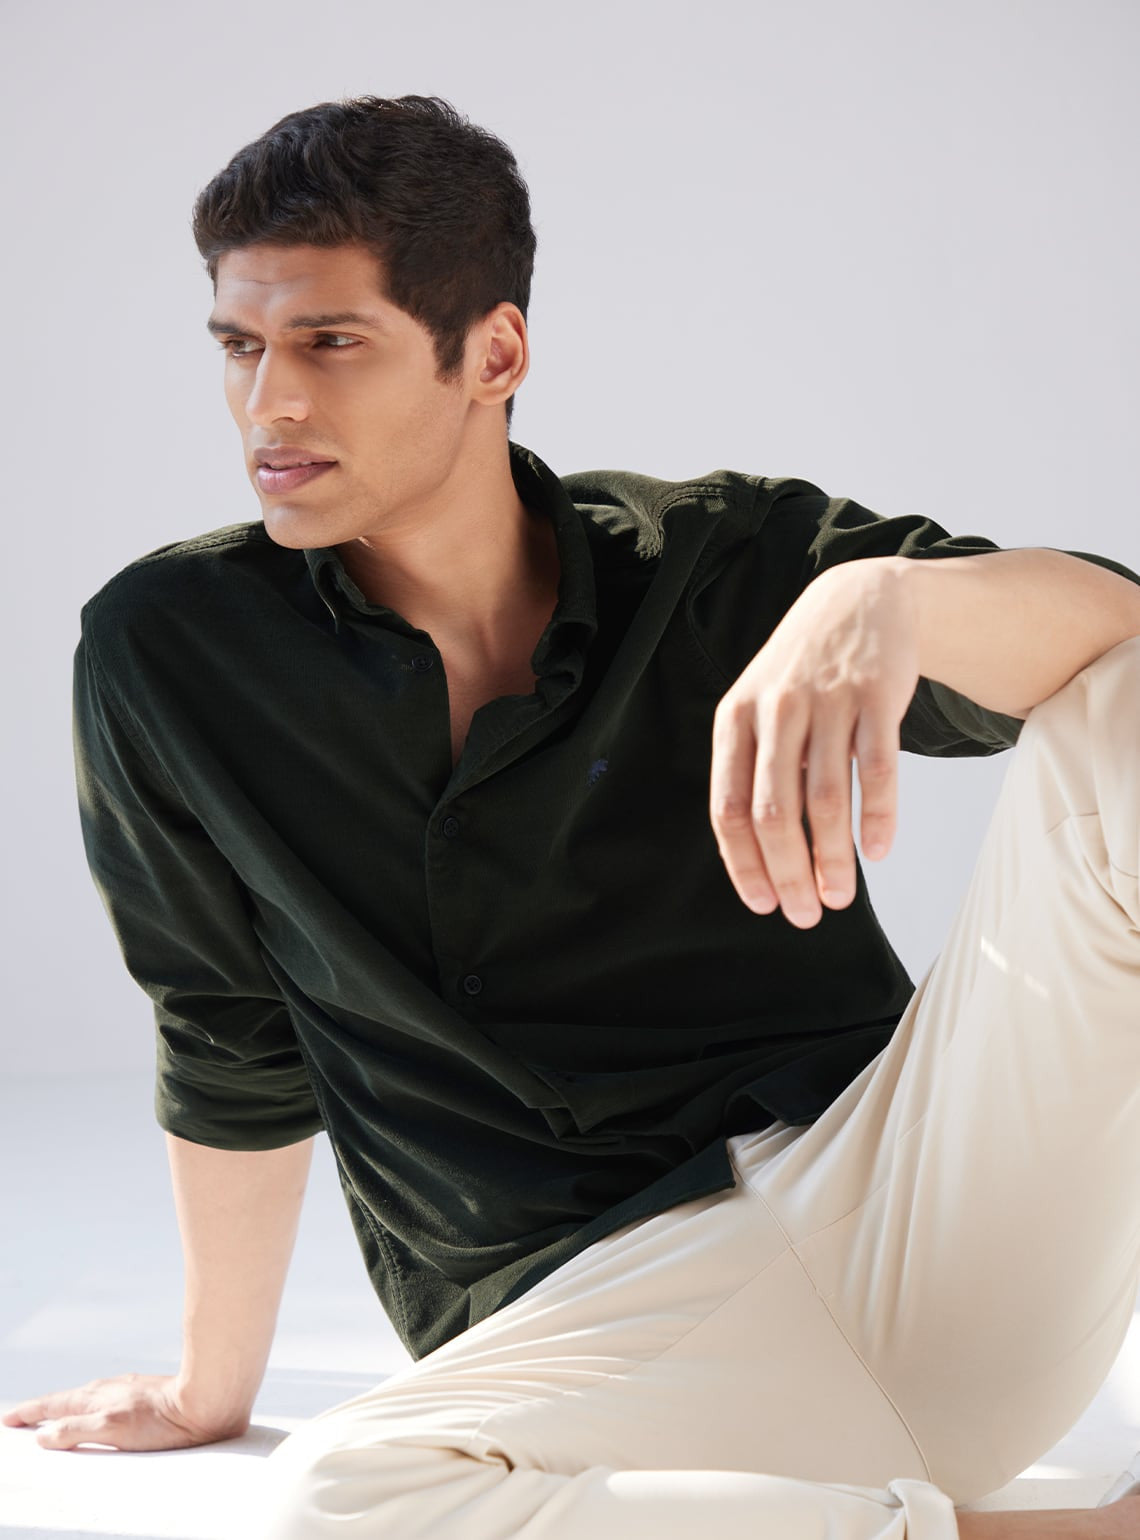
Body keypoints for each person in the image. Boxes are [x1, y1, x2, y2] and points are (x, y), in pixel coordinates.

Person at [6, 92, 1140, 1540]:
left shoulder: (718, 561)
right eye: (239, 345)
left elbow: (1108, 642)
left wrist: (888, 599)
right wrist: (208, 1389)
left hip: (928, 1205)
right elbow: (225, 1025)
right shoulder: (170, 649)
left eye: (329, 342)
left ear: (494, 352)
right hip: (601, 1334)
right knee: (335, 1501)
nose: (267, 402)